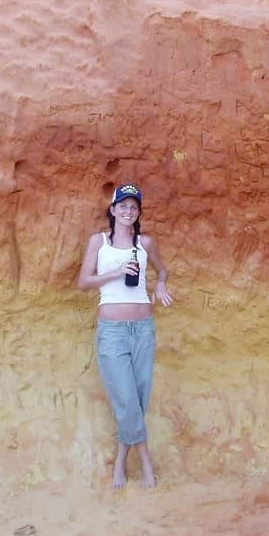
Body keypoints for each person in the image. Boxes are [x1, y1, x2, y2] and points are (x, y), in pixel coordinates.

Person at [77, 182, 173, 489]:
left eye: (134, 207)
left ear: (138, 212)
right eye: (123, 206)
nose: (128, 211)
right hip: (113, 332)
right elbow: (84, 282)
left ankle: (120, 459)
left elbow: (163, 270)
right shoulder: (99, 242)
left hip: (143, 329)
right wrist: (117, 273)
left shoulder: (145, 243)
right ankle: (145, 461)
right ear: (113, 210)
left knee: (138, 398)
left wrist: (160, 284)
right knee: (126, 397)